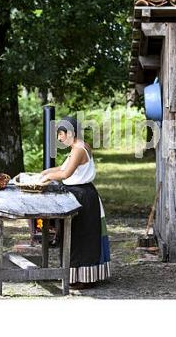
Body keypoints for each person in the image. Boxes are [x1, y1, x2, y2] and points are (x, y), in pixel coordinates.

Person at [40, 116, 111, 289]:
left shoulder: (79, 150)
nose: (59, 138)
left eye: (61, 134)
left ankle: (82, 278)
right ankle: (75, 275)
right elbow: (63, 168)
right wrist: (47, 171)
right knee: (77, 235)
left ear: (70, 133)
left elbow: (66, 174)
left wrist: (48, 177)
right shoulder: (78, 147)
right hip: (81, 195)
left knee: (81, 237)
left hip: (82, 197)